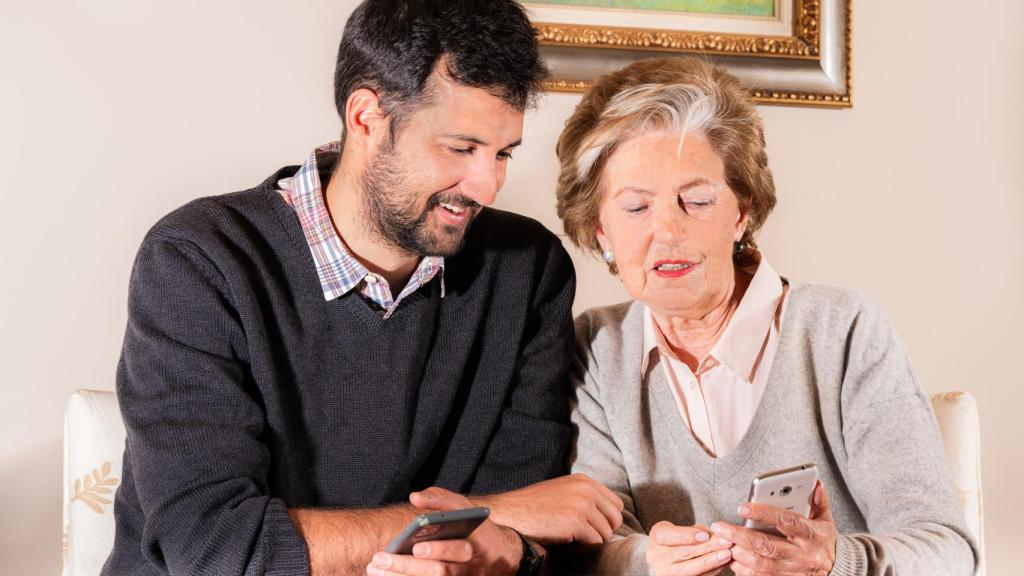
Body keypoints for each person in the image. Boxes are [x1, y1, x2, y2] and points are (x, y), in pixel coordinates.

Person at [103, 2, 623, 575]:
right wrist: (493, 514)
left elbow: (528, 538)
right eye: (461, 148)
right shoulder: (201, 260)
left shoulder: (528, 271)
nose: (487, 186)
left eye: (502, 154)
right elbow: (216, 549)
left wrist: (515, 545)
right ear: (366, 117)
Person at [554, 57, 979, 575]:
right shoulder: (598, 346)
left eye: (697, 200)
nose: (667, 231)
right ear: (599, 230)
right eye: (636, 208)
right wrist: (646, 562)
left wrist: (833, 562)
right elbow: (590, 546)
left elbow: (948, 553)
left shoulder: (843, 330)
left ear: (742, 212)